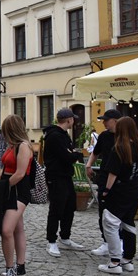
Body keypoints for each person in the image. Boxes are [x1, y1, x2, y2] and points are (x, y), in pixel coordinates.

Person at [98, 117, 138, 274]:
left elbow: (113, 173)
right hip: (135, 189)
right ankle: (128, 259)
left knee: (110, 223)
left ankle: (114, 262)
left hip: (120, 191)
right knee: (128, 223)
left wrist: (106, 190)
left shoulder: (119, 148)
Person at [0, 115, 33, 276]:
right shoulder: (12, 145)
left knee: (6, 230)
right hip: (8, 187)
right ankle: (20, 265)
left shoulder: (23, 146)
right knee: (18, 228)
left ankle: (10, 269)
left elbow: (20, 173)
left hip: (18, 191)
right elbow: (6, 167)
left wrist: (3, 187)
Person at [43, 108, 85, 257]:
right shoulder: (55, 136)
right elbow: (66, 156)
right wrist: (76, 155)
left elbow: (69, 153)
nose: (74, 121)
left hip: (66, 175)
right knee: (56, 208)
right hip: (56, 176)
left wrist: (72, 154)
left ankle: (65, 237)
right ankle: (51, 241)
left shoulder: (64, 135)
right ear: (69, 120)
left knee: (69, 206)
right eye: (73, 119)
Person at [86, 109, 122, 256]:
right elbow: (96, 152)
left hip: (121, 179)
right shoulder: (104, 136)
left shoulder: (125, 136)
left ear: (115, 121)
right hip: (105, 176)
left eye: (106, 120)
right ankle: (106, 242)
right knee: (103, 210)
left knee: (119, 211)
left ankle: (120, 242)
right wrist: (89, 165)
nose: (104, 122)